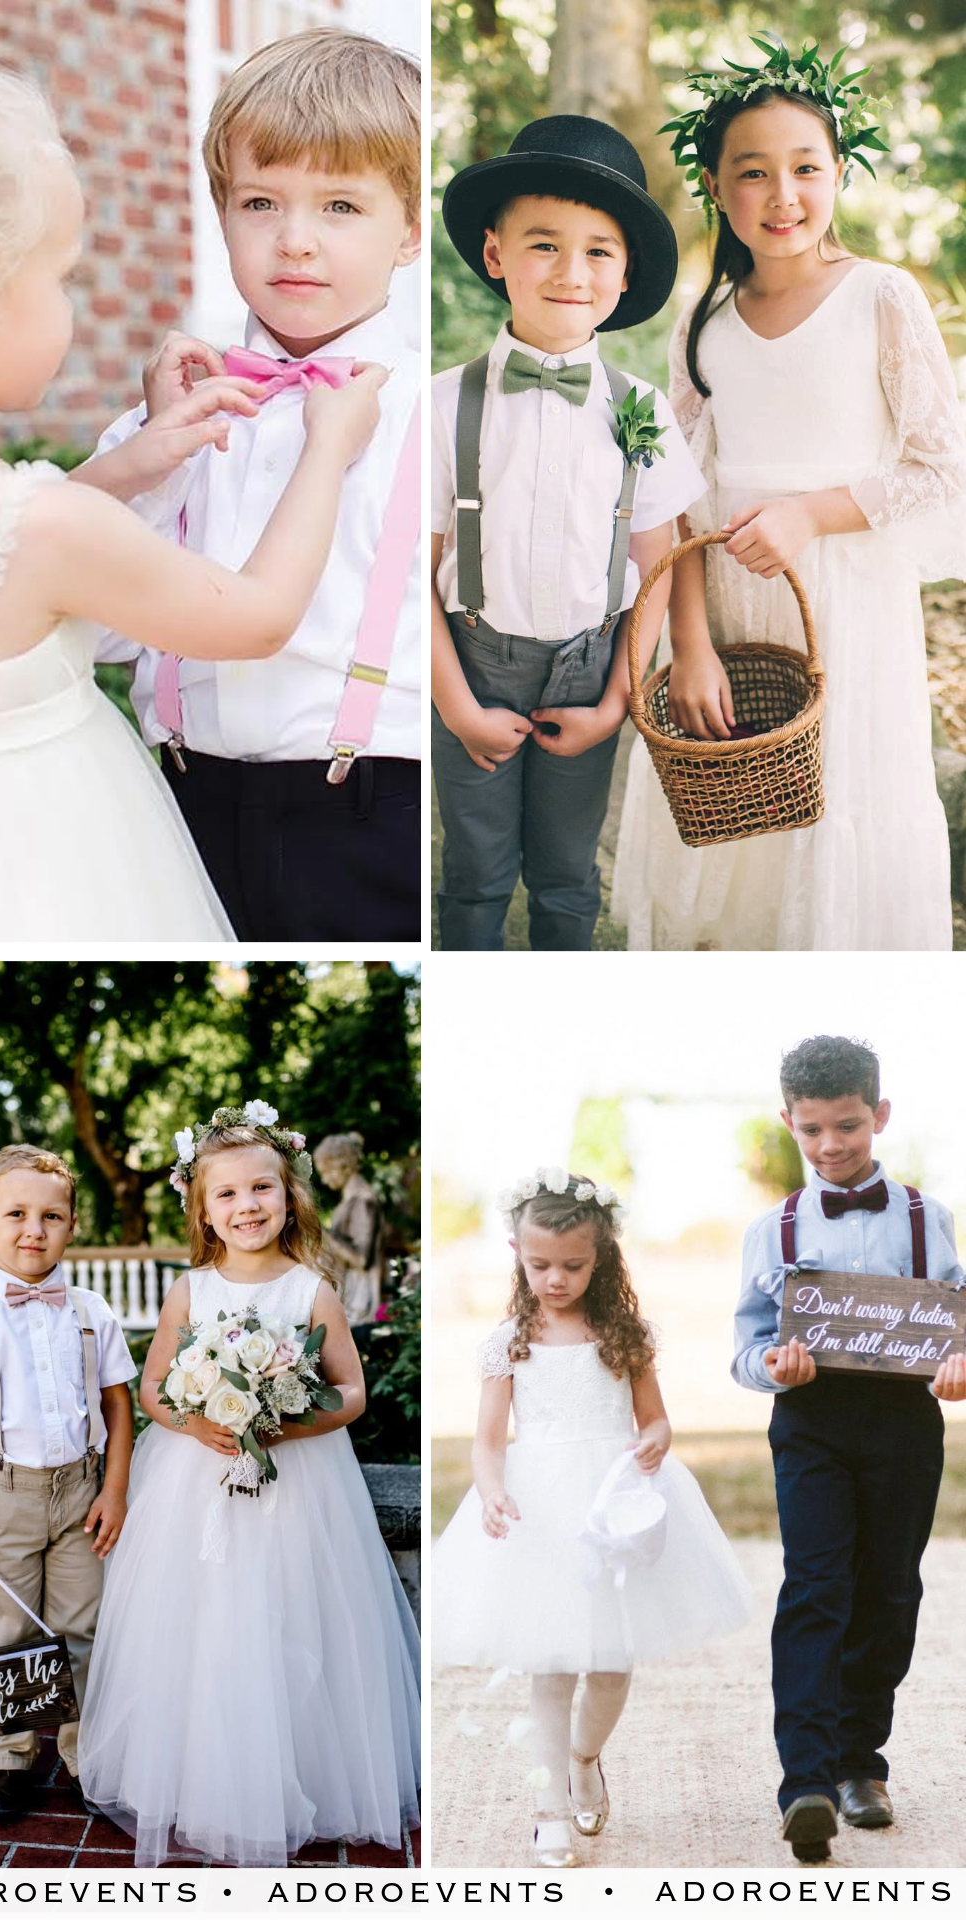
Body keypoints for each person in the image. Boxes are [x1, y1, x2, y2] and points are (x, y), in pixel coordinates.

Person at [0, 44, 386, 941]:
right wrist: (329, 448)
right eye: (64, 277)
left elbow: (6, 570)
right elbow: (258, 616)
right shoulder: (45, 524)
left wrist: (130, 466)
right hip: (61, 867)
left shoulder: (29, 517)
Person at [614, 38, 966, 950]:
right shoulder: (701, 326)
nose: (783, 196)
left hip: (843, 598)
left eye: (806, 168)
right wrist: (691, 646)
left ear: (839, 173)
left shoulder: (882, 297)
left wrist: (810, 511)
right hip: (731, 604)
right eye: (753, 173)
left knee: (841, 799)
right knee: (744, 816)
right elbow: (678, 501)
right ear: (716, 186)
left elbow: (940, 465)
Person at [94, 29, 422, 942]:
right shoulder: (172, 413)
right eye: (261, 201)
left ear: (409, 231)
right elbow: (98, 630)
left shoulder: (426, 424)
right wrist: (159, 462)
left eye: (342, 206)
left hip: (368, 814)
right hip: (180, 810)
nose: (296, 241)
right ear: (222, 211)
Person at [77, 1104, 420, 1867]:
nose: (247, 1207)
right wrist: (200, 1424)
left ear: (288, 1194)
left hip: (297, 1488)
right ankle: (205, 1781)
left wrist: (281, 1427)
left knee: (292, 1622)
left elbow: (352, 1394)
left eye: (262, 1189)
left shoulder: (310, 1291)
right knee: (205, 1625)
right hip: (196, 1485)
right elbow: (156, 1388)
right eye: (226, 1195)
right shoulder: (190, 1292)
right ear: (203, 1210)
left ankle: (300, 1778)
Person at [431, 114, 705, 950]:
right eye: (543, 245)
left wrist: (618, 704)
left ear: (624, 277)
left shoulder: (641, 410)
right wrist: (456, 706)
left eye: (598, 251)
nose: (570, 272)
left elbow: (653, 566)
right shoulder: (443, 404)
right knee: (473, 875)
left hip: (591, 671)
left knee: (566, 874)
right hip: (473, 662)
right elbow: (411, 570)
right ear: (494, 256)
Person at [432, 1172, 749, 1867]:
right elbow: (488, 1442)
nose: (555, 1278)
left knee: (610, 1664)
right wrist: (489, 1491)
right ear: (517, 1253)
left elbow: (654, 1417)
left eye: (572, 1265)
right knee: (551, 1666)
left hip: (614, 1504)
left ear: (600, 1257)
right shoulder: (509, 1341)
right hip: (541, 1509)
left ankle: (585, 1757)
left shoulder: (621, 1332)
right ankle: (549, 1812)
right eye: (540, 1265)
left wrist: (659, 1439)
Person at [733, 1035, 966, 1863]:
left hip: (905, 1423)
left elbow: (955, 1320)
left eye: (850, 1128)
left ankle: (863, 1761)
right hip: (812, 1424)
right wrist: (771, 1364)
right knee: (816, 1586)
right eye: (814, 1131)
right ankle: (807, 1781)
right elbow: (746, 1342)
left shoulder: (926, 1219)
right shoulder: (776, 1228)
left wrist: (957, 1365)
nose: (832, 1146)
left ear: (880, 1116)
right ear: (789, 1124)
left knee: (890, 1591)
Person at [0, 1146, 137, 1816]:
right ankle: (11, 1759)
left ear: (72, 1226)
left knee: (85, 1627)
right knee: (8, 1634)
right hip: (2, 1494)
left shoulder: (94, 1311)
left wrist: (114, 1490)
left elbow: (119, 1409)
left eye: (51, 1215)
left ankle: (83, 1756)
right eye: (15, 1213)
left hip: (80, 1492)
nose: (33, 1229)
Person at [314, 1130, 384, 1325]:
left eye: (327, 1172)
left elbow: (361, 1259)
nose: (326, 1180)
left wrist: (322, 1232)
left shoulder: (363, 1201)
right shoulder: (347, 1203)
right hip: (348, 1296)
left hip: (359, 1302)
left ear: (342, 1165)